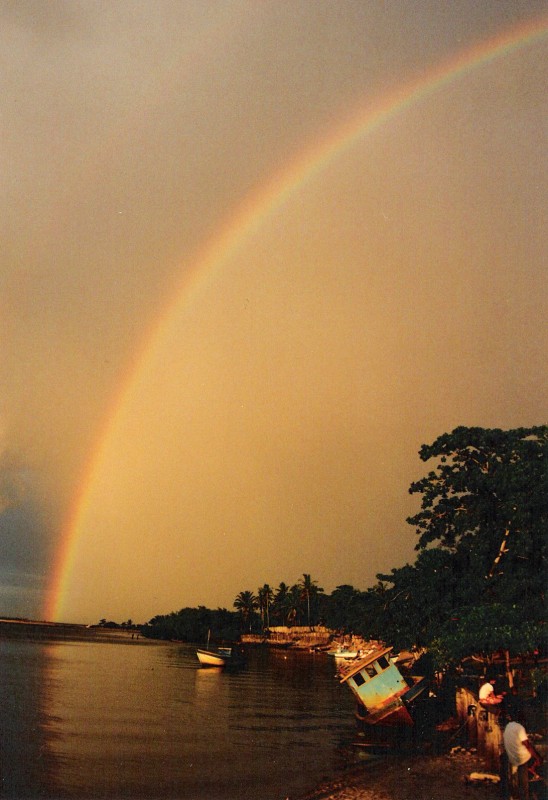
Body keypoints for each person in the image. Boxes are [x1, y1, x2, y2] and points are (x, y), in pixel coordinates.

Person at [503, 708, 542, 800]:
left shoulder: (508, 726)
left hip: (512, 757)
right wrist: (537, 758)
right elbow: (527, 745)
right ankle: (535, 777)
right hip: (521, 758)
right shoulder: (520, 728)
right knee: (539, 757)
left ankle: (533, 773)